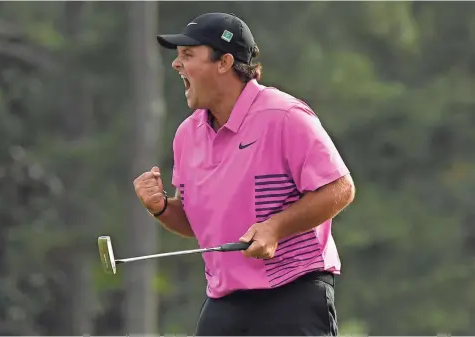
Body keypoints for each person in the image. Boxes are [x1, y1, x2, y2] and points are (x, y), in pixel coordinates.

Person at [133, 12, 355, 336]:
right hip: (225, 301)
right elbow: (195, 224)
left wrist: (275, 227)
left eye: (188, 56)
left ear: (223, 63)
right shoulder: (187, 135)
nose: (176, 65)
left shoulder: (284, 116)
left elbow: (340, 188)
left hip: (293, 293)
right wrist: (162, 207)